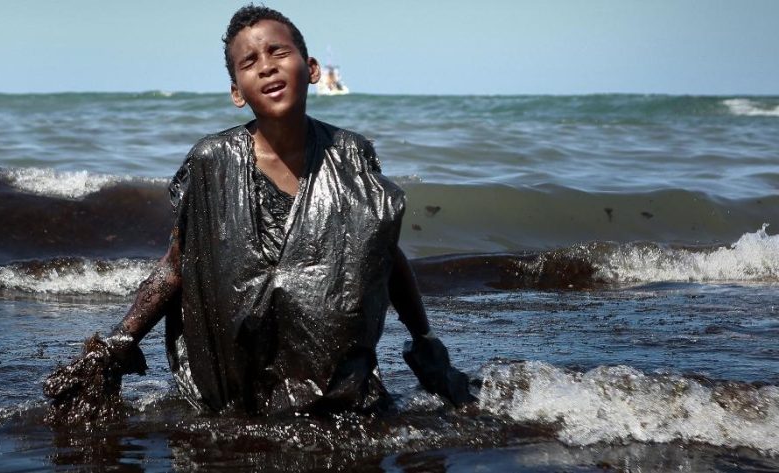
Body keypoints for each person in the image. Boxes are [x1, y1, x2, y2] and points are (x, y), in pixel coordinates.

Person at [45, 4, 475, 418]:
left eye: (278, 52)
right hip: (240, 390)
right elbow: (178, 265)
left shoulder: (351, 154)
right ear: (237, 92)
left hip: (338, 389)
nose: (266, 66)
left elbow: (382, 252)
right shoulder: (212, 161)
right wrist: (119, 342)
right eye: (249, 62)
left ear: (311, 69)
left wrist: (424, 339)